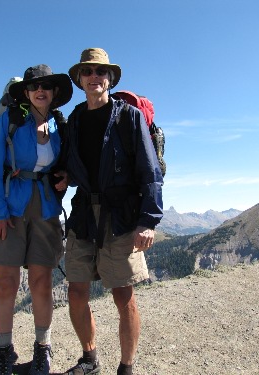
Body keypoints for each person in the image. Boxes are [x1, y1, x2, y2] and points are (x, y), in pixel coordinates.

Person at [62, 48, 163, 375]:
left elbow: (150, 172)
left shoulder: (128, 117)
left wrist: (148, 220)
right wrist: (65, 175)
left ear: (110, 78)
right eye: (88, 72)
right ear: (80, 79)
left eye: (101, 72)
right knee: (76, 291)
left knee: (123, 296)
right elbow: (74, 162)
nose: (95, 77)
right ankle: (90, 358)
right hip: (82, 216)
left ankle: (126, 367)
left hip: (120, 217)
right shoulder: (75, 119)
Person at [0, 64, 72, 375]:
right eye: (34, 87)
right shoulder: (11, 121)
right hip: (9, 207)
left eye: (45, 86)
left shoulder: (60, 125)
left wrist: (65, 177)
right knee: (6, 283)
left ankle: (42, 347)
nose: (40, 91)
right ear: (27, 93)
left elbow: (67, 165)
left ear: (55, 92)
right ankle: (3, 351)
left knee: (42, 282)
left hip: (44, 208)